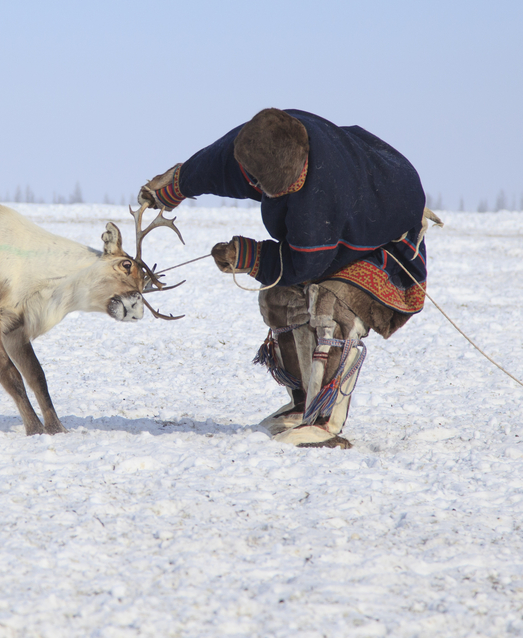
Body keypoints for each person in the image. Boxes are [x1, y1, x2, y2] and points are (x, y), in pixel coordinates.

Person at [138, 108, 440, 448]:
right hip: (330, 232)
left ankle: (324, 420)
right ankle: (301, 404)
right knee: (276, 298)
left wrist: (249, 257)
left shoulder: (322, 199)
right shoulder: (265, 138)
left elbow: (304, 264)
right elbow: (217, 164)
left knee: (330, 306)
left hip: (386, 246)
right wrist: (177, 184)